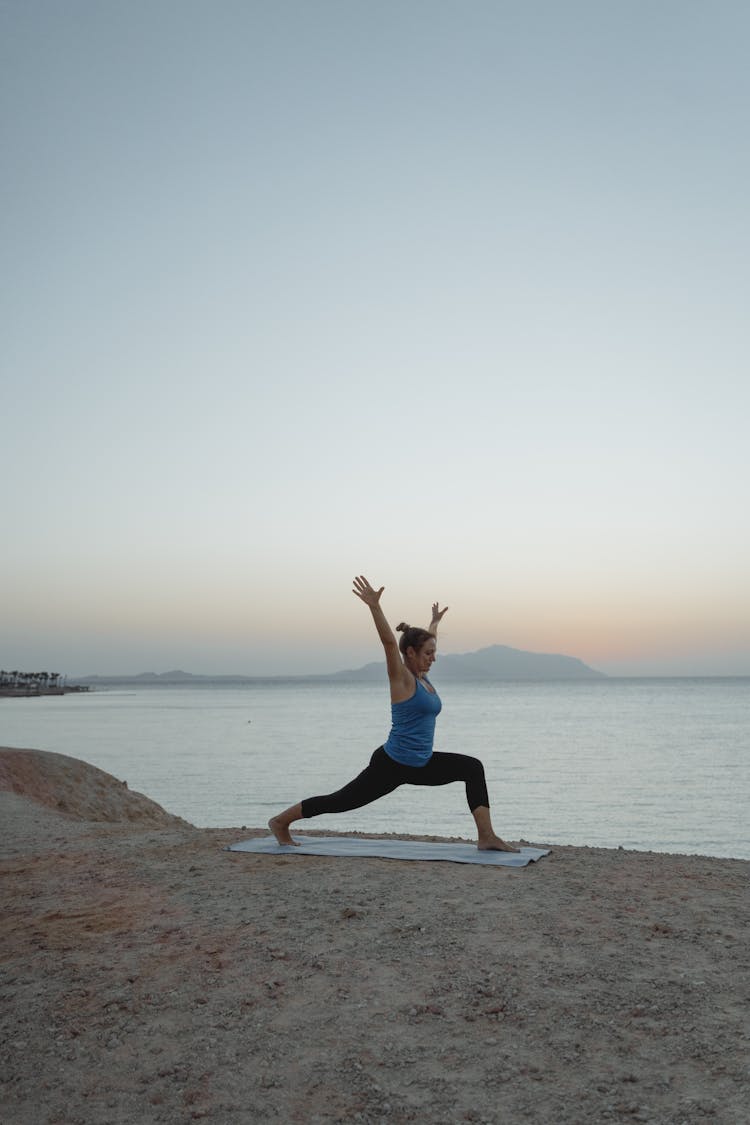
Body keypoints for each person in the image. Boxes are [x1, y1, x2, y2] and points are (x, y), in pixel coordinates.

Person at [268, 575, 518, 851]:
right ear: (410, 653)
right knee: (340, 802)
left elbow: (427, 642)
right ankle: (280, 822)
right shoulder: (402, 679)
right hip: (392, 764)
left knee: (472, 768)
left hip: (420, 763)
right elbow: (389, 643)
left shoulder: (422, 675)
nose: (433, 658)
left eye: (434, 653)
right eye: (428, 653)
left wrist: (434, 622)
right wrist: (374, 606)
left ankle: (486, 837)